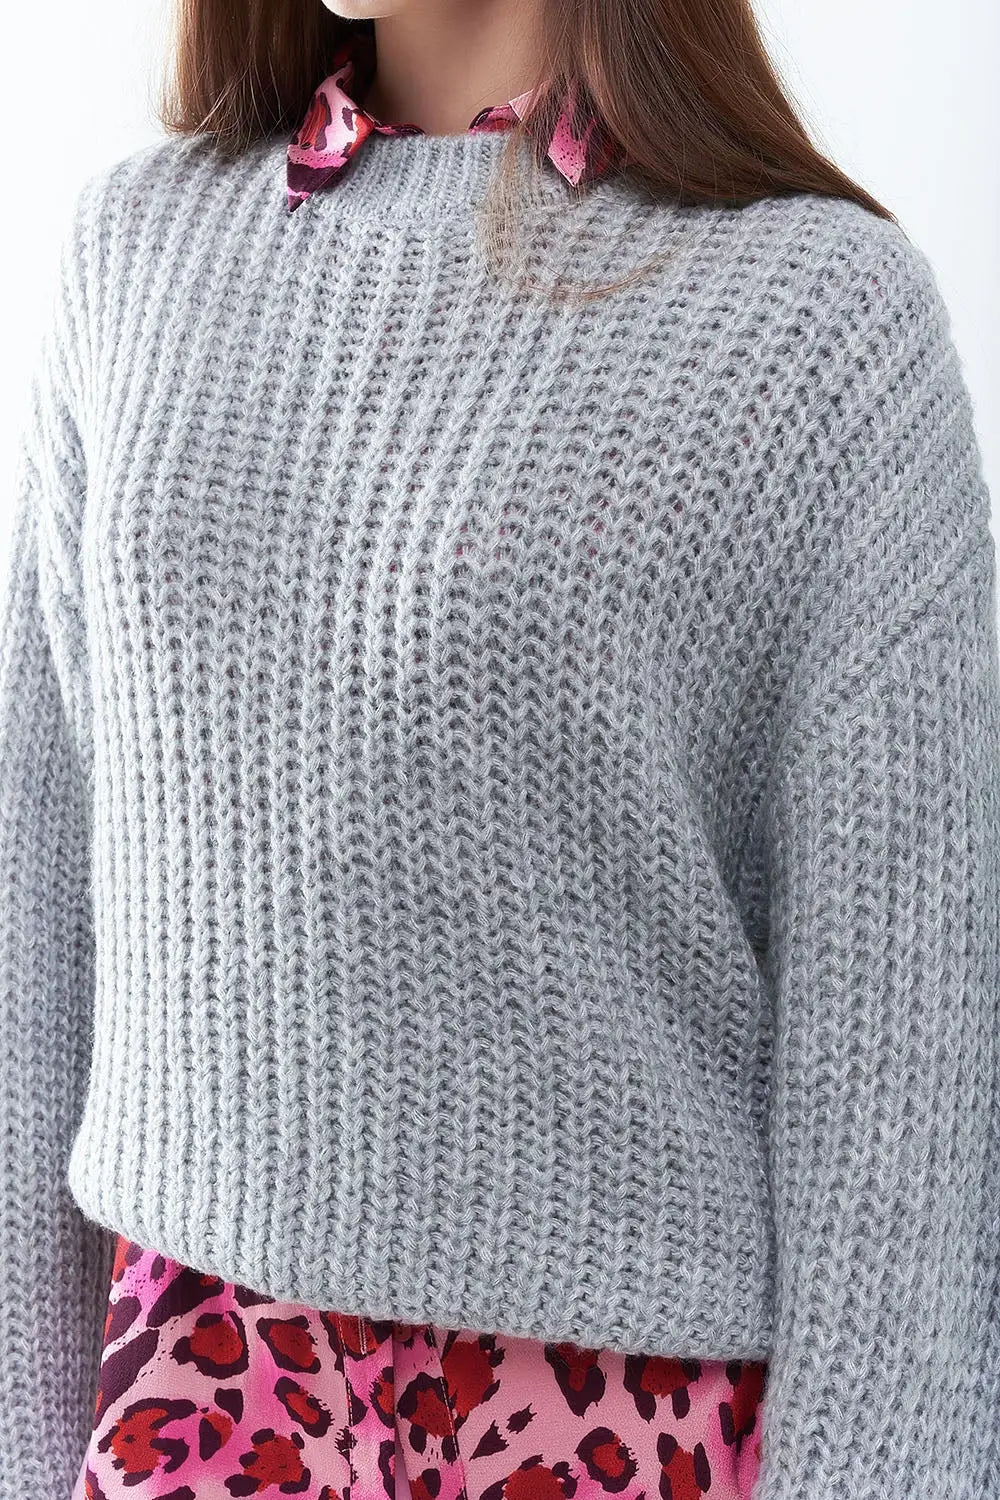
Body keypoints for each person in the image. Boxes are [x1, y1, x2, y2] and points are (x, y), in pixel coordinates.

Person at [1, 0, 997, 1496]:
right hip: (201, 1396)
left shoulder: (818, 319)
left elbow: (908, 1080)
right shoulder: (135, 253)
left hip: (612, 1424)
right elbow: (34, 936)